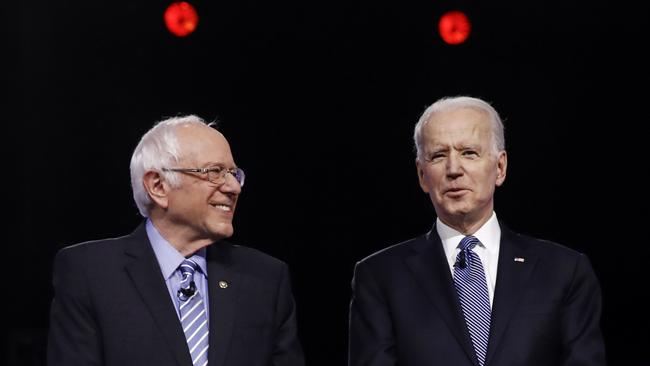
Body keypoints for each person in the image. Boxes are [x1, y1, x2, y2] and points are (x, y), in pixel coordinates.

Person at [348, 96, 606, 366]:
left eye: (469, 152)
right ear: (422, 175)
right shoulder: (379, 278)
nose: (454, 169)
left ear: (500, 167)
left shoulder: (564, 272)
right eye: (438, 155)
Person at [47, 115, 305, 366]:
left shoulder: (266, 279)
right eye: (214, 172)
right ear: (158, 186)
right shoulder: (90, 274)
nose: (233, 188)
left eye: (233, 174)